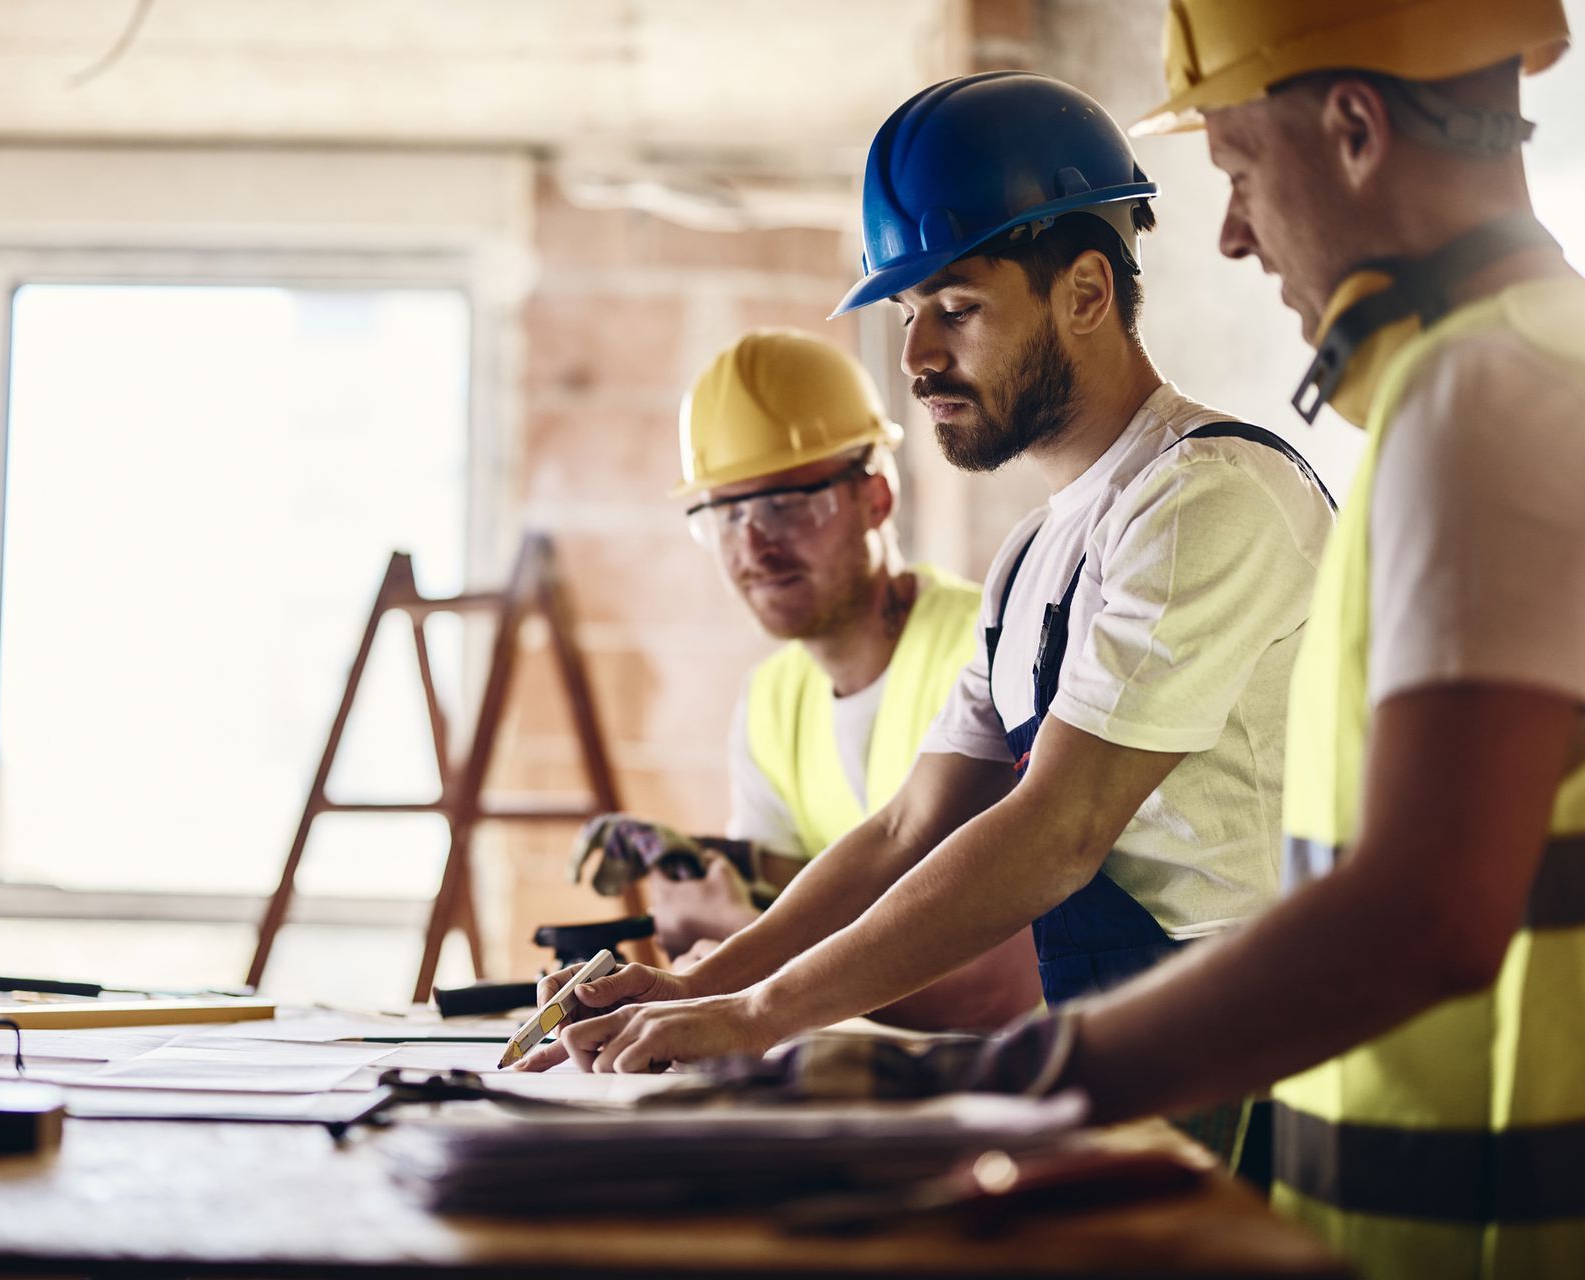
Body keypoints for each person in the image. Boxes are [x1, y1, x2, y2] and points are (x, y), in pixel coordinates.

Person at [890, 4, 1582, 1277]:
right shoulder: (1520, 374)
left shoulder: (1480, 400)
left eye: (1242, 166)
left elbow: (1427, 909)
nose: (1231, 228)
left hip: (1483, 1229)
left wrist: (1040, 1071)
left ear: (1357, 129)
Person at [518, 70, 1336, 1141]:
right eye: (909, 314)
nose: (916, 358)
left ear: (1088, 291)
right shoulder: (1038, 550)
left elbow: (1058, 828)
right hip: (1123, 1046)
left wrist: (757, 1013)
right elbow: (908, 821)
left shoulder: (1207, 497)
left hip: (1244, 1059)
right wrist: (699, 984)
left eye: (956, 309)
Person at [573, 328, 1042, 1031]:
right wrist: (717, 877)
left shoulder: (992, 651)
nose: (754, 546)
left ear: (876, 497)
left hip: (1018, 1093)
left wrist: (734, 940)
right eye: (725, 515)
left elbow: (994, 985)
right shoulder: (771, 702)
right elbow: (807, 904)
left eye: (786, 505)